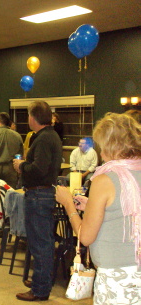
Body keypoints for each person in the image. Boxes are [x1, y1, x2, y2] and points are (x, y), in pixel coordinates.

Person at [56, 113, 141, 304]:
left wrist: (69, 204)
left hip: (116, 275)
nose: (101, 154)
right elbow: (125, 211)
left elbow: (85, 236)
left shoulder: (106, 180)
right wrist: (94, 207)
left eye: (102, 147)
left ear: (112, 145)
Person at [12, 101, 62, 301]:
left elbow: (39, 169)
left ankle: (40, 289)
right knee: (42, 243)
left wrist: (22, 166)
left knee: (40, 245)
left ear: (33, 118)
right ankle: (41, 280)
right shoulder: (51, 136)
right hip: (44, 194)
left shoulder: (42, 139)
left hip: (39, 196)